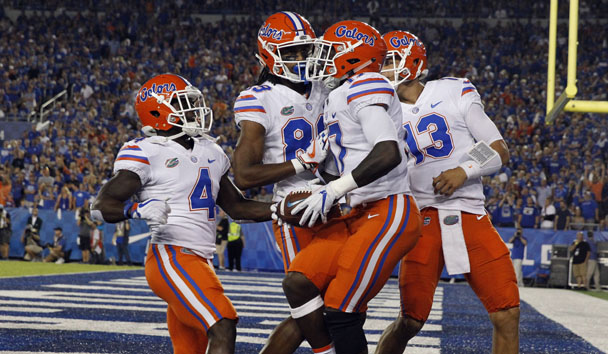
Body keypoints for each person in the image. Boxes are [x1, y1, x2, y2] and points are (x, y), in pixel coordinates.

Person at [90, 74, 272, 354]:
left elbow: (238, 207)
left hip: (201, 259)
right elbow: (100, 207)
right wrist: (136, 209)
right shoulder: (146, 151)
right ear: (158, 111)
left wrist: (282, 209)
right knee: (222, 324)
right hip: (171, 255)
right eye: (184, 102)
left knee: (191, 349)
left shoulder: (211, 149)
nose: (194, 108)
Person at [278, 21, 422, 354]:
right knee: (298, 283)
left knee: (342, 310)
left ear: (351, 56)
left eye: (328, 50)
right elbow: (347, 163)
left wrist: (335, 188)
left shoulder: (366, 83)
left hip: (389, 209)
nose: (320, 57)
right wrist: (319, 183)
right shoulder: (339, 93)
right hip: (356, 212)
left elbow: (387, 151)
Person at [375, 30, 519, 354]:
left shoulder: (454, 90)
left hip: (469, 213)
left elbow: (499, 147)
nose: (380, 69)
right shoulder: (378, 110)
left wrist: (462, 171)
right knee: (410, 320)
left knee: (507, 312)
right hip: (420, 218)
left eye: (388, 61)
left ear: (411, 61)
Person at [231, 12, 331, 354]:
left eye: (305, 50)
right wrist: (300, 162)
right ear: (270, 55)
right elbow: (244, 175)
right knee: (312, 303)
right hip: (296, 208)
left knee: (335, 303)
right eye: (291, 53)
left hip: (341, 201)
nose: (302, 59)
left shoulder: (329, 87)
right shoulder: (259, 99)